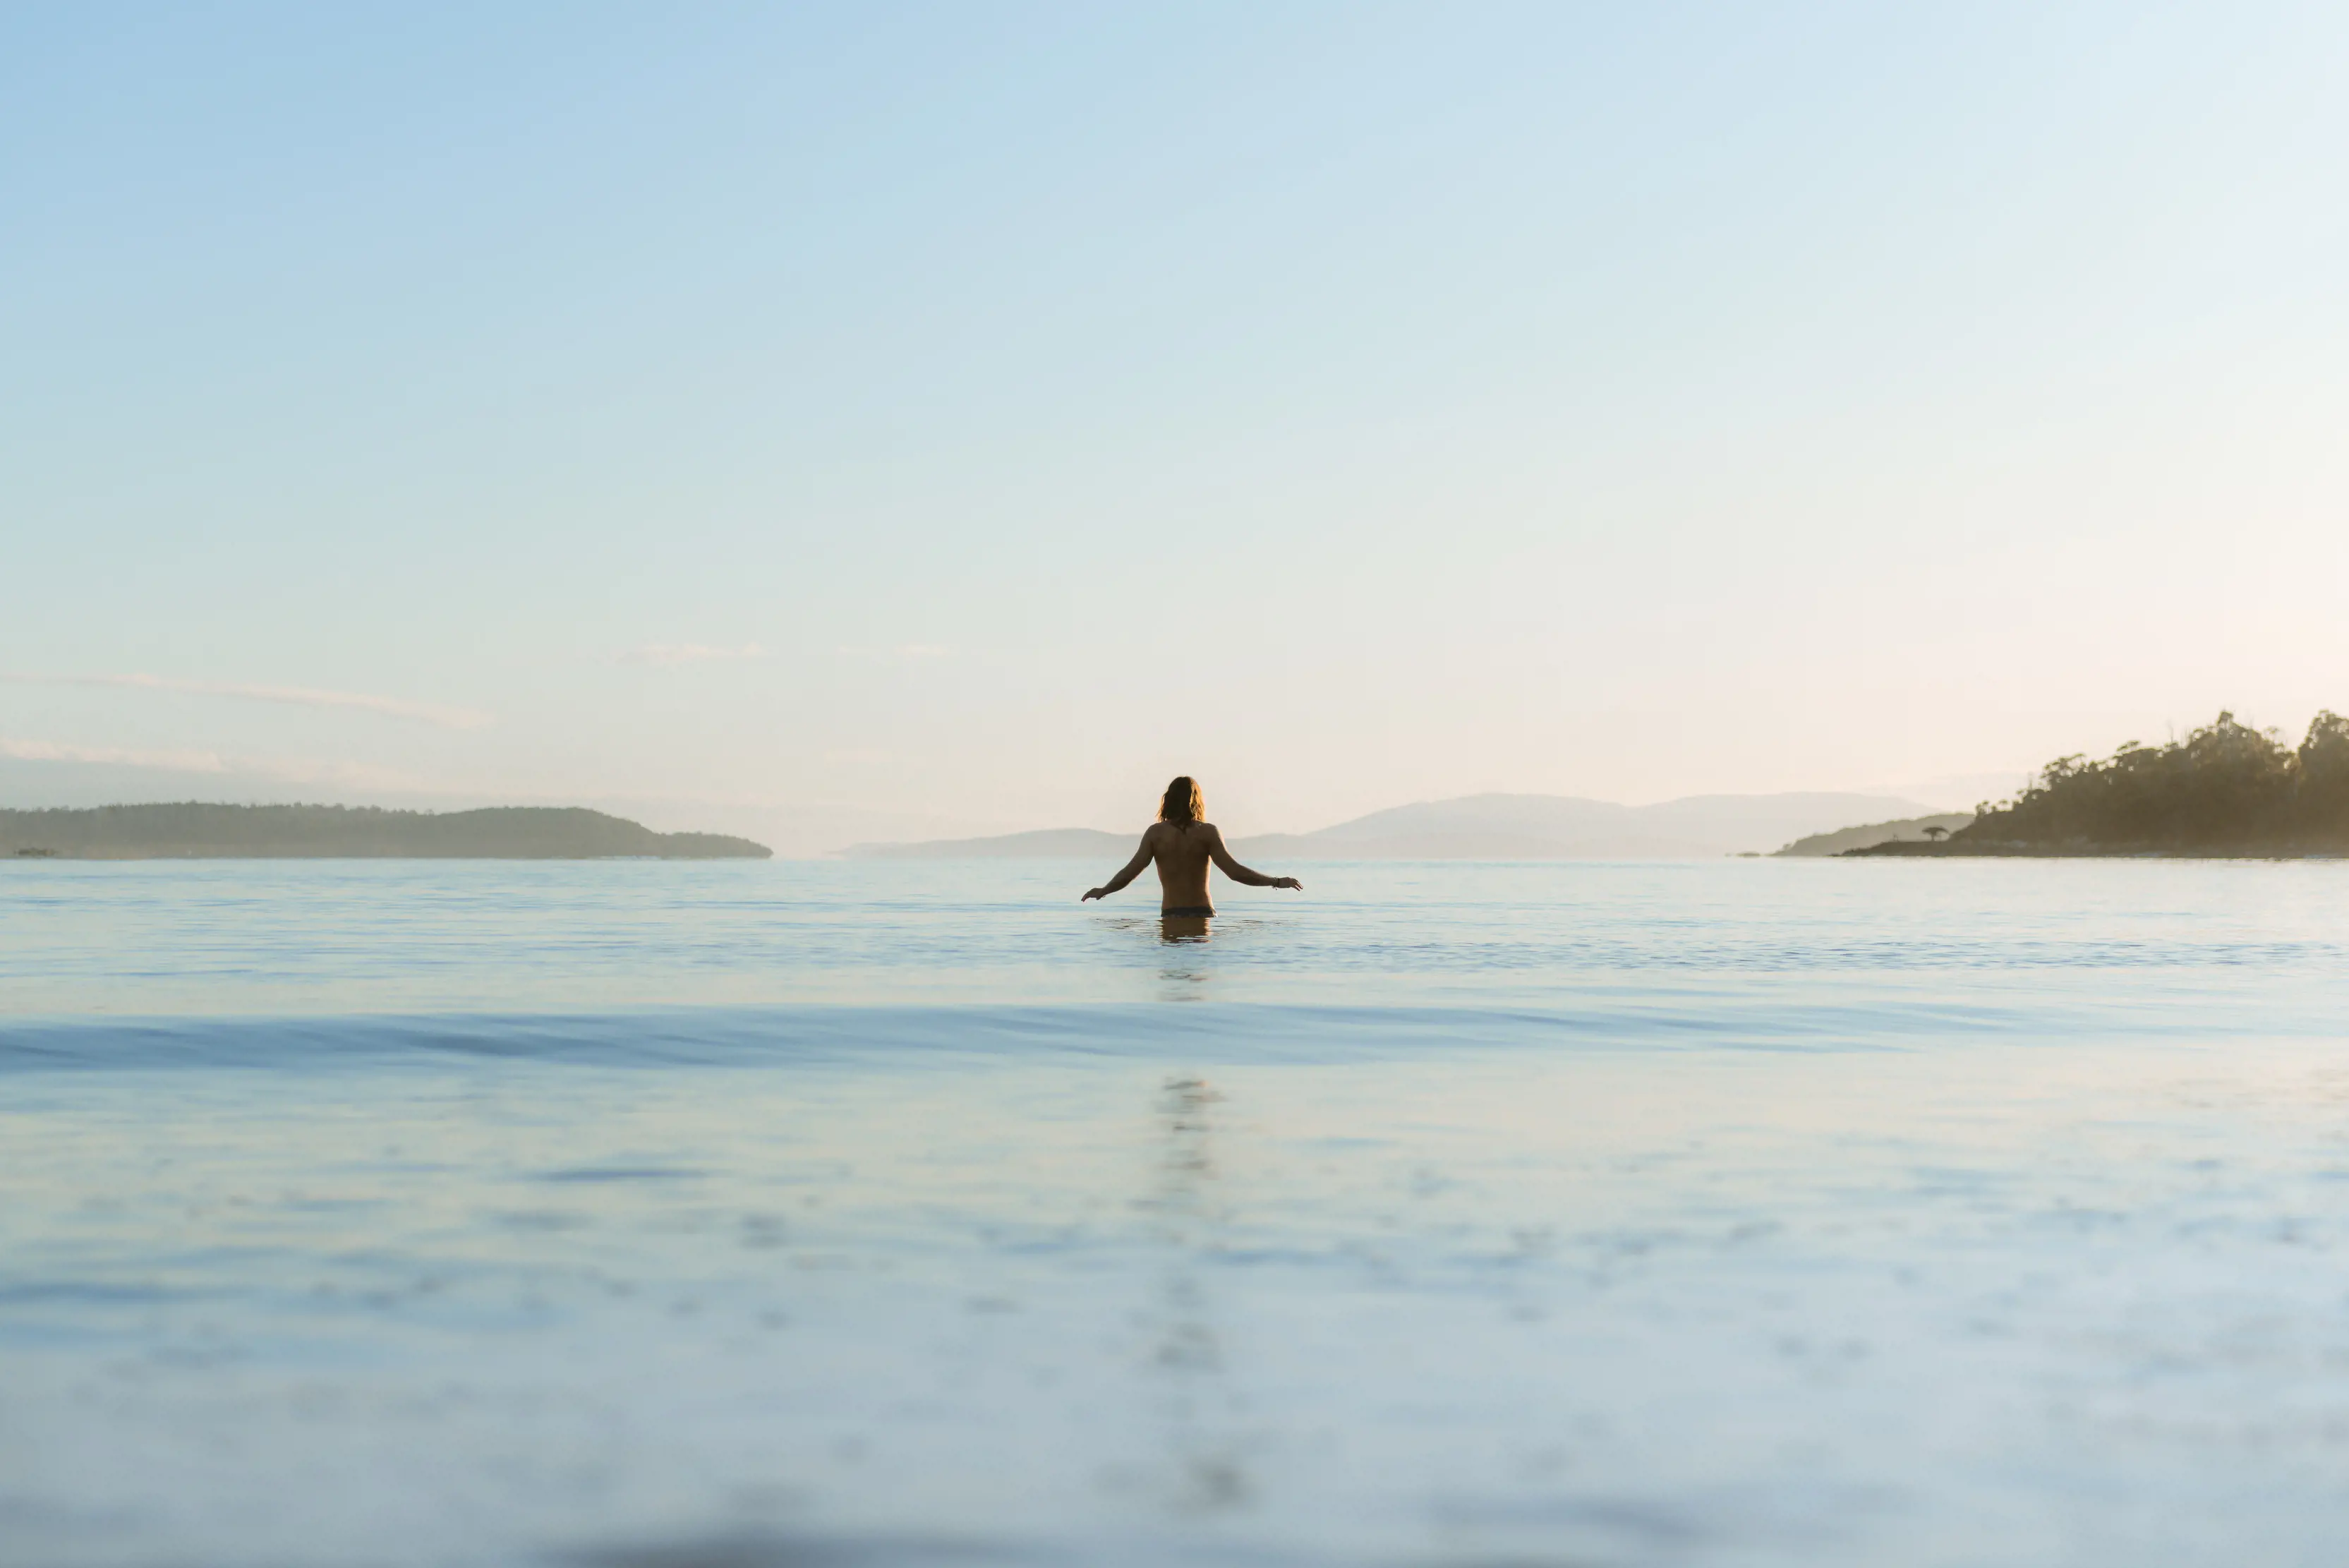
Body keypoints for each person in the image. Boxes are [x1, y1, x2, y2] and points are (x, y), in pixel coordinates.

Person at [1081, 776, 1303, 917]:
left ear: (1168, 801)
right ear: (1196, 801)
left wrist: (1105, 890)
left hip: (1171, 914)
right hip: (1202, 913)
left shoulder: (1155, 834)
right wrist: (1276, 882)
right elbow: (1234, 873)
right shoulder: (1207, 832)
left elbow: (1131, 872)